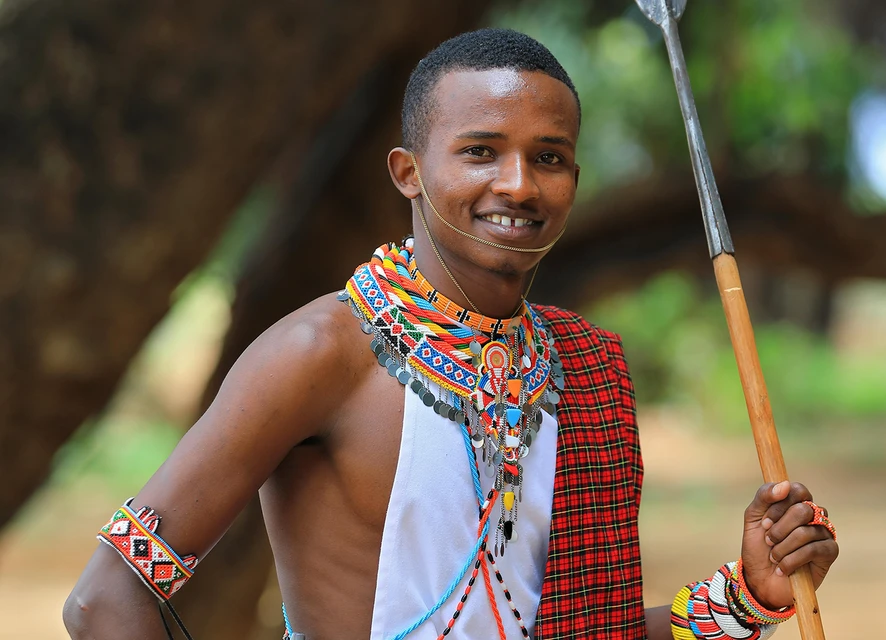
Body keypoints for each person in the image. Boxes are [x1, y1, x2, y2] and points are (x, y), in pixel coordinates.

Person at [63, 28, 839, 640]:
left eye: (550, 158)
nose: (517, 184)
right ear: (408, 171)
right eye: (480, 151)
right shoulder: (319, 355)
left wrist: (749, 594)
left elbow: (587, 633)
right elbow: (105, 602)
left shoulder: (586, 369)